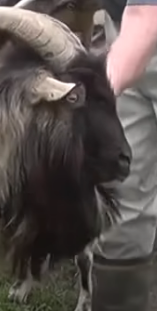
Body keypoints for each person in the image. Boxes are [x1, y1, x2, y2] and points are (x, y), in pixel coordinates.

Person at [92, 1, 157, 311]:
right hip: (122, 27)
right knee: (121, 212)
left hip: (142, 25)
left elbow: (148, 16)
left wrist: (97, 92)